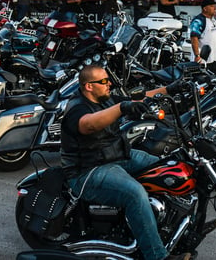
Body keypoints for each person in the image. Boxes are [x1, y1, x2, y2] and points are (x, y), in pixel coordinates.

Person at [61, 64, 199, 260]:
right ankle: (157, 256)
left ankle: (173, 226)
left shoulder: (104, 98)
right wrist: (121, 108)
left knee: (169, 166)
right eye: (103, 81)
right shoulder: (77, 107)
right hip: (88, 171)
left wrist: (170, 89)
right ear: (89, 86)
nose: (108, 84)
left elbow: (138, 98)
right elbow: (89, 123)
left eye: (107, 79)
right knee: (135, 194)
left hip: (118, 156)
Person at [189, 0, 216, 74]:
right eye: (211, 6)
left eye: (214, 6)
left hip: (215, 59)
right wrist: (197, 55)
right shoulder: (198, 20)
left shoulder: (214, 20)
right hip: (204, 61)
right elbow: (194, 38)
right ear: (205, 8)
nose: (215, 8)